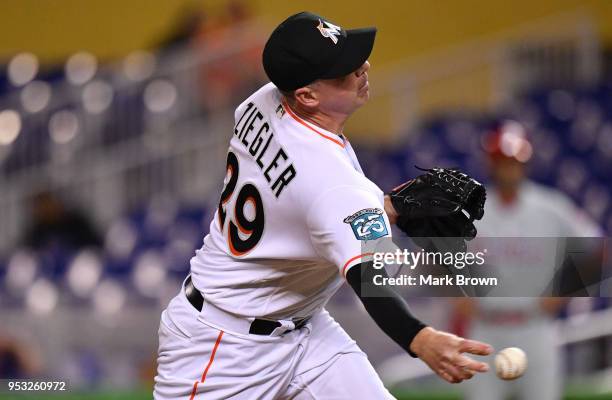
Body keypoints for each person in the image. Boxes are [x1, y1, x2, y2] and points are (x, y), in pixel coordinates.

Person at [154, 12, 492, 399]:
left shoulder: (259, 102)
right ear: (307, 95)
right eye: (343, 70)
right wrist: (420, 338)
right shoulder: (331, 184)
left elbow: (306, 203)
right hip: (221, 349)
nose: (362, 67)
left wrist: (390, 207)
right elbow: (369, 280)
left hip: (303, 330)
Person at [454, 120, 602, 400]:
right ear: (490, 163)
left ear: (525, 162)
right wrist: (454, 295)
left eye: (513, 160)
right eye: (501, 160)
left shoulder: (551, 206)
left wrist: (564, 292)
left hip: (535, 326)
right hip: (485, 328)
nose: (508, 167)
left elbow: (598, 249)